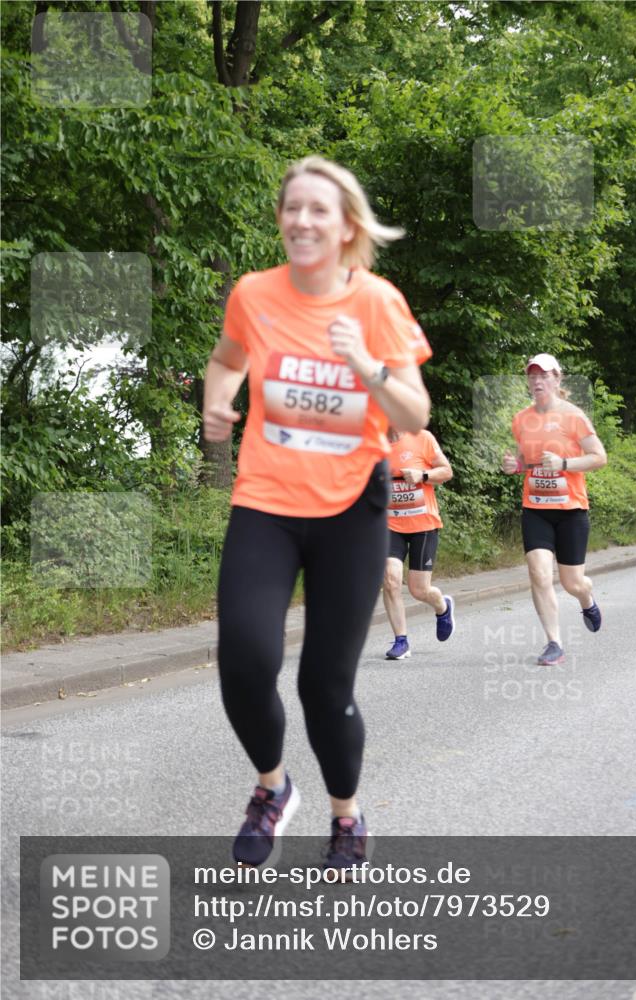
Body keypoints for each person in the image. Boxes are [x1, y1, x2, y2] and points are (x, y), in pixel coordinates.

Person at [203, 156, 432, 876]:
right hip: (265, 501)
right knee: (244, 658)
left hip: (349, 511)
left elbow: (413, 412)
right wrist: (218, 395)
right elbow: (226, 357)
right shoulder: (253, 292)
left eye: (318, 210)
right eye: (291, 207)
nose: (301, 220)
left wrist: (366, 366)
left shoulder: (377, 303)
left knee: (322, 686)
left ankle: (346, 814)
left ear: (346, 227)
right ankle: (272, 788)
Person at [501, 354, 607, 665]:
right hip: (535, 508)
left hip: (571, 509)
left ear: (557, 379)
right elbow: (525, 461)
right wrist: (514, 466)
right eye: (532, 375)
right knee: (538, 573)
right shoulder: (521, 419)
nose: (537, 381)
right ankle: (554, 642)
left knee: (573, 582)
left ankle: (586, 599)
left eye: (544, 375)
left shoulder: (574, 417)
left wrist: (564, 464)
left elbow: (599, 457)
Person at [382, 427, 455, 659]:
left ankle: (442, 606)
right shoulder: (373, 442)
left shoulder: (421, 437)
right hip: (389, 525)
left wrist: (422, 476)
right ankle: (401, 641)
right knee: (391, 579)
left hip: (423, 525)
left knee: (419, 589)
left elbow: (446, 471)